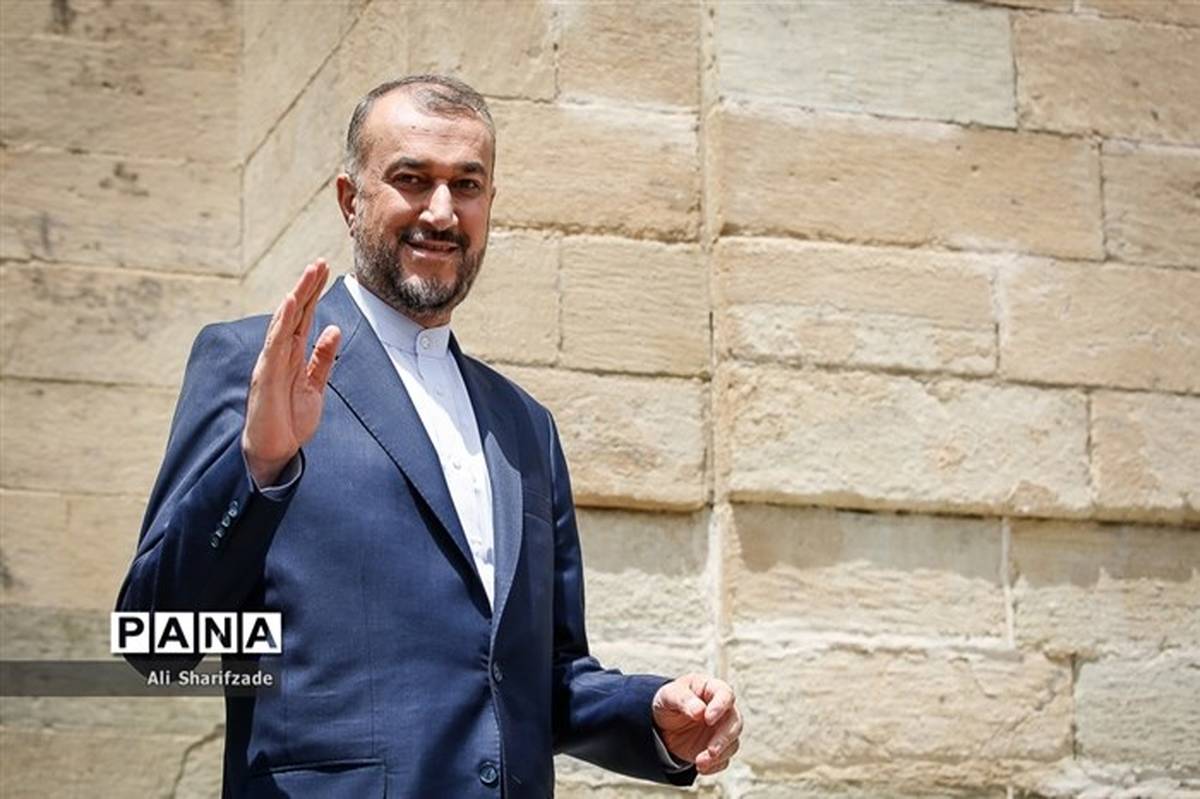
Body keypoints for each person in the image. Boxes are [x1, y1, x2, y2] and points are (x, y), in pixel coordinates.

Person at [116, 74, 742, 798]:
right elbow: (152, 641)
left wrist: (648, 716)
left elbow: (539, 676)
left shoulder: (524, 426)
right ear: (350, 200)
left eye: (466, 185)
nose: (441, 212)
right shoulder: (253, 364)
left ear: (489, 203)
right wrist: (257, 469)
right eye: (411, 179)